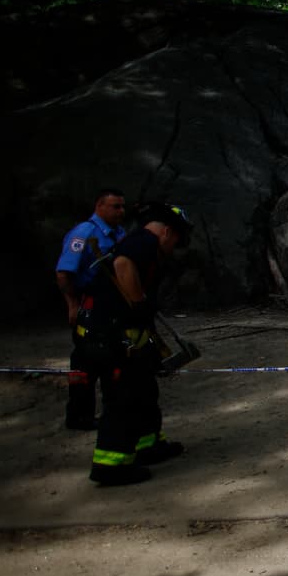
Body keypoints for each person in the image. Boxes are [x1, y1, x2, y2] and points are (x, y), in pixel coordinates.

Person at [77, 203, 193, 486]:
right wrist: (139, 304)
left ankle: (148, 444)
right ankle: (110, 466)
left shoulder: (141, 243)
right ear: (166, 231)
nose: (174, 246)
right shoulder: (144, 242)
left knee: (143, 390)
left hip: (125, 334)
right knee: (123, 398)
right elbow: (122, 264)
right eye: (176, 239)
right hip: (112, 336)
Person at [56, 188, 127, 430]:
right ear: (99, 206)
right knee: (86, 360)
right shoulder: (84, 233)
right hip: (90, 303)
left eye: (122, 206)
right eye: (115, 206)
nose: (121, 211)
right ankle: (78, 416)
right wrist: (72, 304)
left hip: (112, 304)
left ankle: (112, 411)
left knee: (112, 359)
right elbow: (64, 272)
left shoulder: (119, 233)